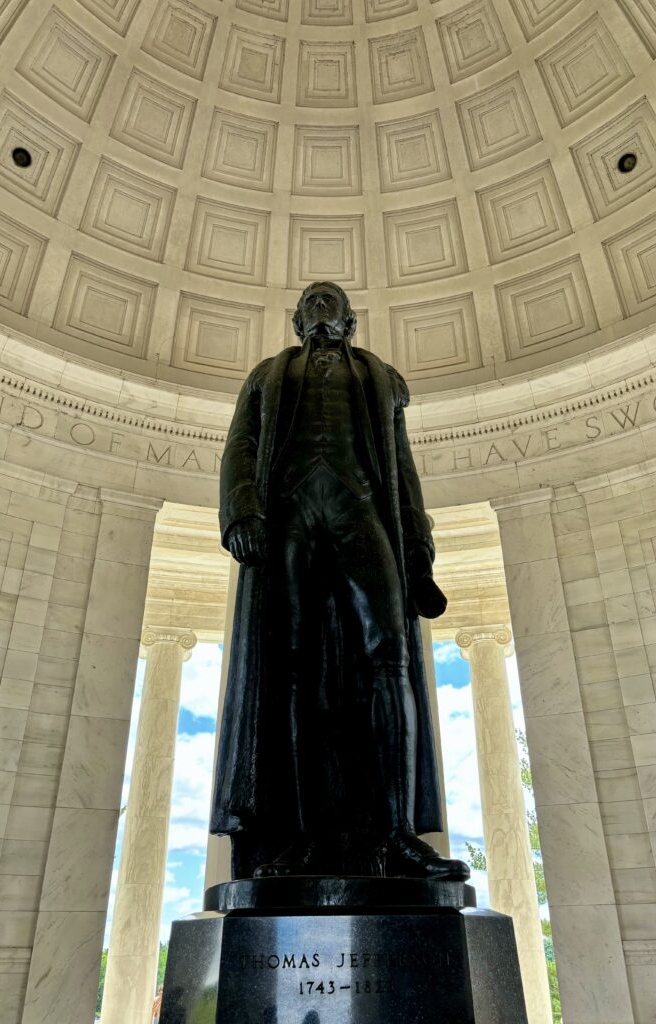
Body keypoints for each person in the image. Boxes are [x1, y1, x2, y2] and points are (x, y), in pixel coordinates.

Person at [210, 282, 468, 882]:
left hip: (359, 505)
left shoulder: (379, 377)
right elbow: (240, 447)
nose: (322, 306)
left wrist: (418, 546)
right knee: (296, 668)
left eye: (332, 301)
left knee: (390, 655)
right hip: (293, 514)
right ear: (296, 319)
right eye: (312, 301)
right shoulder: (267, 375)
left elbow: (400, 466)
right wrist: (244, 509)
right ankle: (303, 836)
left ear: (351, 320)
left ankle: (398, 834)